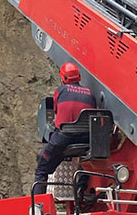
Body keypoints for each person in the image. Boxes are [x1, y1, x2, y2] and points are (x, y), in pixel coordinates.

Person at [33, 63, 96, 194]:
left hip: (64, 138)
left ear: (63, 78)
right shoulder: (90, 94)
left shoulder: (60, 91)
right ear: (79, 77)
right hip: (87, 140)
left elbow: (58, 114)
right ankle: (81, 186)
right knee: (86, 167)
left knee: (42, 169)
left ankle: (38, 206)